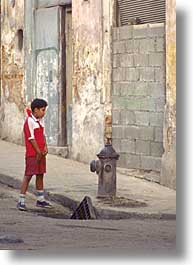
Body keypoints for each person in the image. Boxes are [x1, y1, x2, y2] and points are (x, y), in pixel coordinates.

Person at [17, 98, 52, 211]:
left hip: (41, 153)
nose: (44, 112)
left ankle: (40, 199)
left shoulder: (40, 121)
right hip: (33, 154)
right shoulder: (29, 121)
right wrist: (38, 151)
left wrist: (45, 147)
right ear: (35, 110)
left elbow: (43, 135)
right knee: (28, 175)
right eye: (42, 110)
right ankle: (21, 200)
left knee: (40, 174)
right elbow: (31, 138)